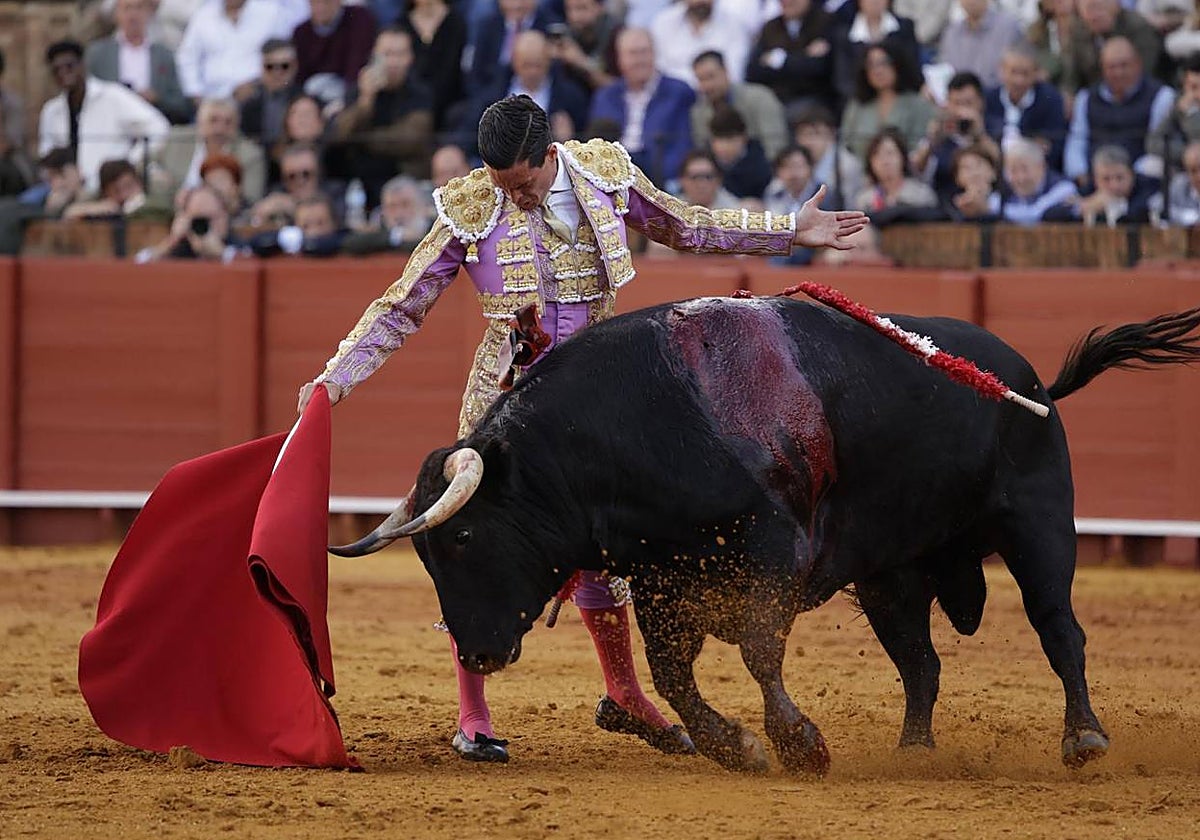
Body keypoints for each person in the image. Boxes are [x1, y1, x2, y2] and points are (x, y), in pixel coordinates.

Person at [295, 94, 866, 764]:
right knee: (471, 546)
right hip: (503, 410)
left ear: (550, 154)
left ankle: (624, 694)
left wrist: (787, 232)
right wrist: (335, 377)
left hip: (600, 408)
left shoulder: (603, 175)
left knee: (609, 546)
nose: (516, 197)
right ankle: (472, 716)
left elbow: (686, 225)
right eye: (503, 186)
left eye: (525, 184)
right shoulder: (472, 204)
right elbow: (403, 304)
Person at [37, 39, 170, 194]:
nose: (63, 73)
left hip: (108, 188)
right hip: (66, 189)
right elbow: (46, 156)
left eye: (69, 66)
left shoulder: (113, 96)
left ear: (82, 65)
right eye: (56, 70)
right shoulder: (51, 111)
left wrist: (128, 163)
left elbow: (159, 128)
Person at [333, 27, 434, 203]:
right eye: (387, 54)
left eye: (400, 54)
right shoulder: (358, 90)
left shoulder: (420, 92)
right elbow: (340, 134)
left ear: (410, 58)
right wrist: (365, 102)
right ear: (374, 56)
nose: (392, 62)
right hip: (359, 181)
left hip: (404, 176)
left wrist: (363, 139)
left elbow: (410, 139)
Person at [589, 28, 695, 186]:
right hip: (615, 177)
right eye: (632, 53)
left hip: (662, 179)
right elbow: (596, 146)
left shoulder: (678, 92)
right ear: (619, 59)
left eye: (644, 52)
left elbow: (683, 145)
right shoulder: (605, 97)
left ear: (654, 54)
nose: (639, 60)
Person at [1063, 36, 1175, 183]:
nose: (1118, 73)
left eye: (1124, 65)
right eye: (1111, 67)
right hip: (1092, 179)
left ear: (1138, 64)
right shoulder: (1085, 98)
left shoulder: (1161, 96)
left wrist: (1122, 180)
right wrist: (1079, 173)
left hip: (1140, 179)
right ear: (1102, 69)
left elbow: (1158, 144)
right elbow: (1077, 139)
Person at [85, 0, 193, 124]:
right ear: (116, 15)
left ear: (148, 13)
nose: (133, 14)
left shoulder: (164, 55)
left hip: (153, 124)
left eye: (138, 8)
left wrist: (156, 99)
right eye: (127, 8)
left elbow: (181, 106)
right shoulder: (99, 55)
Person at [176, 0, 301, 103]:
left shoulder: (271, 12)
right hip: (212, 98)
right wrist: (196, 93)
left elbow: (284, 56)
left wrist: (259, 84)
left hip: (259, 93)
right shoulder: (204, 15)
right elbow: (188, 57)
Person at [154, 97, 267, 204]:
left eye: (228, 122)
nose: (220, 129)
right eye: (213, 120)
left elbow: (251, 198)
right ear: (200, 122)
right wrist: (156, 174)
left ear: (237, 126)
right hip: (169, 211)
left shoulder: (250, 155)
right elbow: (144, 163)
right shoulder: (178, 139)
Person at [912, 71, 1002, 203]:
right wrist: (932, 142)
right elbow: (915, 171)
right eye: (956, 103)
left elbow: (1002, 166)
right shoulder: (940, 132)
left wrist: (980, 134)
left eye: (968, 103)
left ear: (981, 102)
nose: (961, 111)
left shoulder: (996, 129)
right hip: (945, 207)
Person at [839, 42, 935, 161]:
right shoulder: (857, 105)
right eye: (871, 65)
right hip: (860, 175)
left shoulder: (918, 104)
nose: (877, 71)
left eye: (884, 63)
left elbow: (922, 145)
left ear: (897, 65)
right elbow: (846, 145)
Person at [690, 51, 789, 162]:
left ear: (726, 72)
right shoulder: (699, 112)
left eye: (710, 77)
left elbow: (775, 143)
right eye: (700, 79)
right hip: (720, 175)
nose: (707, 85)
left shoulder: (759, 97)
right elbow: (703, 151)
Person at [984, 43, 1069, 171]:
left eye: (1025, 74)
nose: (1019, 80)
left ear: (1036, 73)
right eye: (1013, 72)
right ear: (1001, 71)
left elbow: (1053, 144)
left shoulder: (1050, 99)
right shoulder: (989, 98)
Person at [746, 0, 838, 116]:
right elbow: (754, 71)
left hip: (814, 99)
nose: (787, 2)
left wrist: (777, 60)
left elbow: (818, 67)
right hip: (775, 98)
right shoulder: (770, 27)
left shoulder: (825, 21)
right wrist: (802, 57)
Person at [649, 0, 753, 88]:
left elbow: (733, 75)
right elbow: (658, 71)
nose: (701, 1)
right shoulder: (663, 23)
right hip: (673, 97)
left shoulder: (734, 26)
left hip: (717, 97)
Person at [937, 0, 1029, 89]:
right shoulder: (952, 32)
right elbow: (943, 69)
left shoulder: (1008, 27)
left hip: (996, 98)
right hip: (959, 99)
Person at [293, 0, 378, 94]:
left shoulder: (359, 18)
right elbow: (300, 75)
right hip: (313, 94)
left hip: (351, 88)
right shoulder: (301, 32)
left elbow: (356, 62)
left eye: (326, 2)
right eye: (315, 2)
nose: (321, 7)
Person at [135, 184, 237, 261]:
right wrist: (172, 241)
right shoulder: (181, 248)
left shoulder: (237, 245)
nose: (202, 226)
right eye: (196, 220)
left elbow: (249, 267)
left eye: (209, 219)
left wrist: (221, 253)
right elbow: (139, 264)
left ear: (224, 218)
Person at [853, 126, 938, 213]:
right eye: (877, 155)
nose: (885, 161)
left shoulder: (921, 195)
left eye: (890, 153)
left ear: (903, 157)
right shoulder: (864, 201)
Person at [994, 135, 1078, 224]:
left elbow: (1034, 215)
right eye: (1013, 171)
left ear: (1041, 167)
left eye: (1024, 169)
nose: (1020, 178)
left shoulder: (1064, 188)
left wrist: (1003, 211)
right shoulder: (1003, 191)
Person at [341, 174, 433, 254]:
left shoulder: (437, 229)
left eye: (406, 205)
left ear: (423, 205)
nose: (399, 214)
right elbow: (349, 243)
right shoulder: (382, 231)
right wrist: (397, 236)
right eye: (392, 207)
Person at [239, 39, 301, 149]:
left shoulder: (305, 101)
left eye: (284, 66)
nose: (277, 72)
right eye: (270, 66)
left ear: (294, 67)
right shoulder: (249, 103)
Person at [708, 108, 773, 201]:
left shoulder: (761, 167)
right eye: (718, 139)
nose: (723, 146)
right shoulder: (705, 163)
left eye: (729, 139)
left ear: (744, 137)